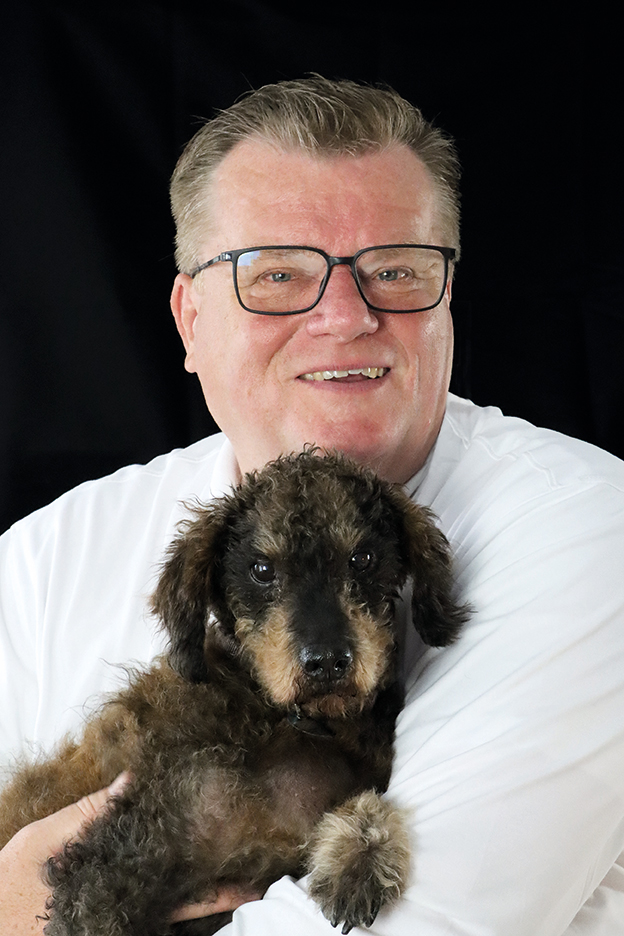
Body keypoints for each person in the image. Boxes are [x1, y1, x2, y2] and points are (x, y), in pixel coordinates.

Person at [1, 76, 623, 935]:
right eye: (277, 275)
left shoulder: (586, 533)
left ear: (446, 300)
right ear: (189, 322)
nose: (343, 317)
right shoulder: (45, 555)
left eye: (395, 271)